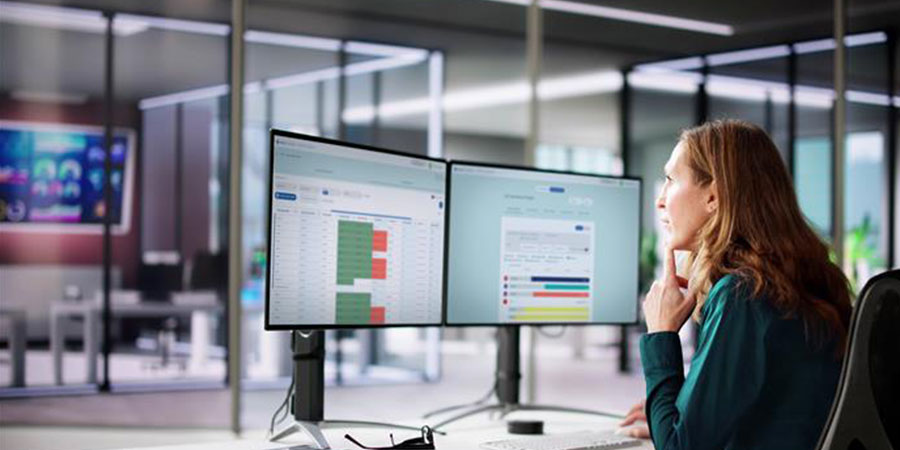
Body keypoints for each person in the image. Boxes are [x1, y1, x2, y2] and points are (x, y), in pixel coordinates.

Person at [617, 120, 852, 449]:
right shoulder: (800, 281)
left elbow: (679, 447)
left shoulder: (744, 293)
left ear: (713, 196)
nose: (660, 201)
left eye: (670, 180)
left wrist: (661, 333)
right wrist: (671, 411)